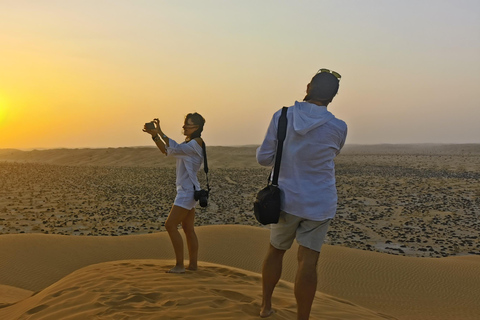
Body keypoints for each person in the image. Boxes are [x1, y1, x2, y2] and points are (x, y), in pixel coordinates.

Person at [256, 68, 347, 319]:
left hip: (285, 200)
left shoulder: (283, 116)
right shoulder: (338, 127)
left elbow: (263, 158)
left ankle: (266, 306)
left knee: (276, 251)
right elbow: (332, 153)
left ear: (308, 87)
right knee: (308, 261)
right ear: (332, 98)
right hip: (320, 203)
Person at [143, 113, 206, 273]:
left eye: (188, 125)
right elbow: (167, 151)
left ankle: (179, 265)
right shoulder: (188, 144)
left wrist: (160, 132)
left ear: (197, 127)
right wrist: (155, 136)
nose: (184, 127)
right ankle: (192, 265)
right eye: (184, 124)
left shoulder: (195, 143)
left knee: (170, 225)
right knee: (188, 228)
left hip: (186, 192)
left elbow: (174, 148)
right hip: (189, 190)